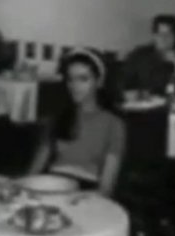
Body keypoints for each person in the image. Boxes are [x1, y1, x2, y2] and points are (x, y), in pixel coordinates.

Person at [29, 49, 126, 195]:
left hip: (86, 190)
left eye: (83, 79)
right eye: (70, 79)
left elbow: (106, 188)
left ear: (99, 82)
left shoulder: (114, 124)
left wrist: (75, 197)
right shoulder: (59, 116)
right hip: (51, 183)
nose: (75, 85)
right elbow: (34, 171)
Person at [121, 14, 175, 101]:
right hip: (143, 104)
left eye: (168, 35)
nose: (163, 38)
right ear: (154, 35)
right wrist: (131, 93)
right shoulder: (139, 55)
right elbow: (124, 82)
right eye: (159, 34)